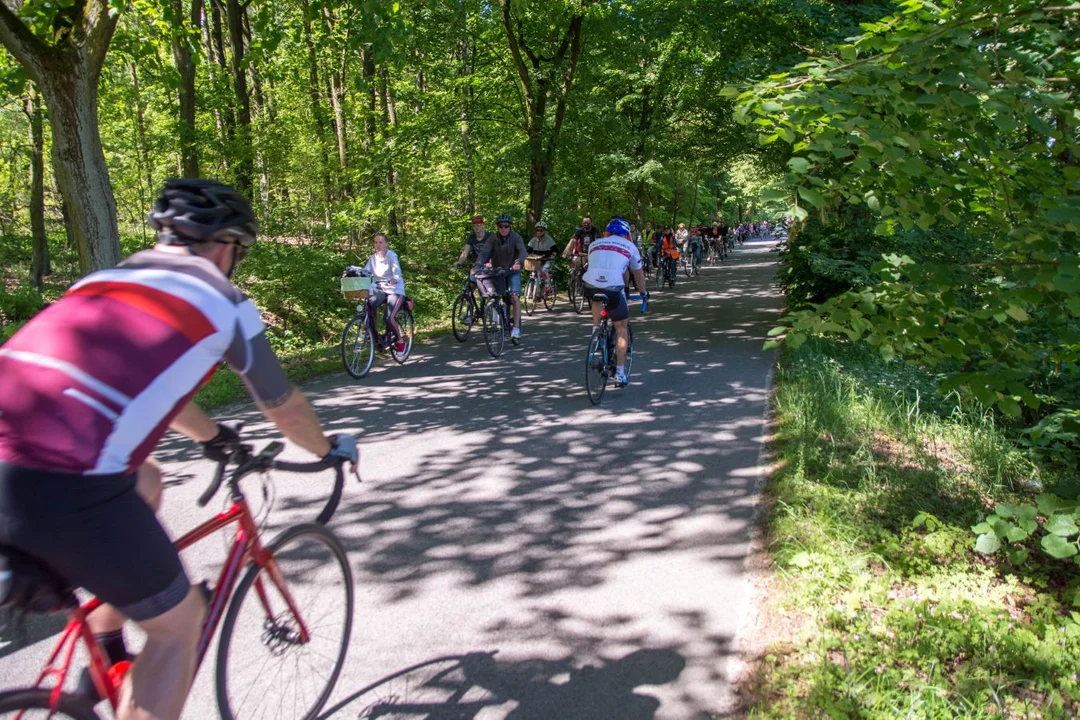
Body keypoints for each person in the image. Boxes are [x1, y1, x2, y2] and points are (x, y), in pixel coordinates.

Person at [0, 178, 358, 720]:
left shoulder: (99, 281)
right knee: (179, 627)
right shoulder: (226, 303)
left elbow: (149, 391)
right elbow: (282, 406)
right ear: (226, 245)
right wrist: (326, 448)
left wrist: (214, 437)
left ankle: (108, 652)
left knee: (145, 478)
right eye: (240, 251)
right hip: (65, 483)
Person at [582, 217, 648, 387]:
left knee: (596, 293)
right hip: (612, 287)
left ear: (607, 232)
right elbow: (638, 275)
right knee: (621, 327)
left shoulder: (594, 244)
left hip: (589, 284)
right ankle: (619, 373)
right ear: (627, 234)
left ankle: (596, 331)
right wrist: (643, 293)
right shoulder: (630, 247)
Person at [474, 213, 527, 342]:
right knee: (493, 295)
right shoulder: (493, 238)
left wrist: (518, 262)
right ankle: (497, 319)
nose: (503, 228)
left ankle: (516, 328)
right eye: (500, 226)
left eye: (506, 226)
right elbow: (484, 252)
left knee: (514, 296)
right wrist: (477, 265)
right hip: (497, 271)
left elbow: (523, 251)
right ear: (497, 227)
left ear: (510, 227)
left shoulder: (516, 238)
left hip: (512, 271)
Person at [360, 232, 407, 353]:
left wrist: (395, 278)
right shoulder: (373, 258)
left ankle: (400, 340)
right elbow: (365, 272)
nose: (378, 245)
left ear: (386, 244)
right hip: (381, 288)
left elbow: (396, 270)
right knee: (370, 303)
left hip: (394, 289)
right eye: (376, 242)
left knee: (388, 317)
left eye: (381, 242)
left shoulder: (392, 256)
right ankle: (373, 333)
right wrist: (352, 273)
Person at [526, 220, 558, 291]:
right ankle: (537, 291)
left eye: (541, 230)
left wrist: (552, 257)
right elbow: (528, 250)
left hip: (548, 260)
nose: (539, 231)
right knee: (534, 272)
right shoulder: (533, 240)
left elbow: (555, 251)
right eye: (537, 230)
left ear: (544, 231)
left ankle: (547, 285)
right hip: (537, 260)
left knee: (544, 270)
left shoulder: (549, 240)